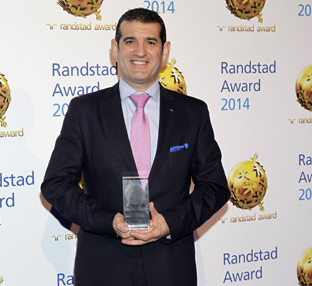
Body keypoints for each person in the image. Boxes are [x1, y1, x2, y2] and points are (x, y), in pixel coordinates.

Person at [41, 7, 230, 286]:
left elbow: (215, 188)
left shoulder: (194, 113)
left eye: (150, 42)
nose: (139, 51)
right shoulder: (85, 111)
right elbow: (55, 185)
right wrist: (110, 221)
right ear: (115, 49)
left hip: (171, 270)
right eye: (130, 41)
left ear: (164, 51)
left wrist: (169, 223)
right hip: (103, 270)